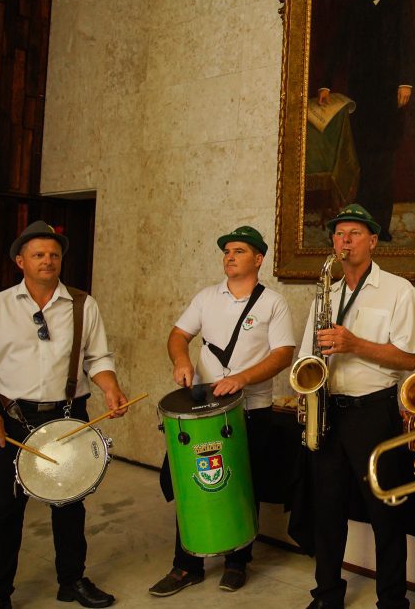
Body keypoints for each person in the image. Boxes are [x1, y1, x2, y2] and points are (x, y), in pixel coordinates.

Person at [0, 221, 128, 609]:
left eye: (54, 255)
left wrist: (110, 387)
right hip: (11, 419)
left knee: (70, 503)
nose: (47, 261)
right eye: (38, 255)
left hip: (68, 416)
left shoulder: (83, 303)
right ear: (20, 261)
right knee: (6, 509)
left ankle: (72, 580)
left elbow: (97, 358)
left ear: (61, 260)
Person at [149, 226, 295, 596]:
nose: (229, 256)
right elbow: (178, 335)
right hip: (204, 410)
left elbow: (282, 354)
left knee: (243, 484)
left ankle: (237, 561)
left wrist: (242, 378)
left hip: (251, 409)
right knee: (192, 483)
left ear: (258, 259)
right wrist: (181, 360)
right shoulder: (205, 297)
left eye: (239, 251)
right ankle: (186, 566)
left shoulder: (272, 303)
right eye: (227, 251)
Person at [300, 204, 415, 609]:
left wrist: (354, 345)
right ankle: (327, 594)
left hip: (375, 412)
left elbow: (409, 358)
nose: (345, 241)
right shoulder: (327, 294)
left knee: (386, 513)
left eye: (354, 233)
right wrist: (306, 397)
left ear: (373, 241)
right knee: (328, 511)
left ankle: (392, 600)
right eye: (338, 234)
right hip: (328, 412)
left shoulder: (398, 290)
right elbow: (306, 359)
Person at [317, 0, 414, 242]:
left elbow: (406, 43)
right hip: (361, 94)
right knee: (362, 158)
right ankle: (363, 224)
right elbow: (337, 46)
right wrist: (325, 83)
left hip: (389, 94)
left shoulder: (400, 1)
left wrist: (405, 82)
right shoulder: (355, 6)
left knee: (383, 159)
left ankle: (380, 226)